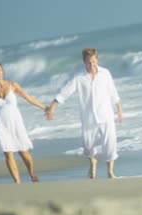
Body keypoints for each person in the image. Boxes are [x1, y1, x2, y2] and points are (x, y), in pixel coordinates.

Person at [45, 48, 123, 179]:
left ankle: (110, 172)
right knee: (88, 145)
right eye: (88, 63)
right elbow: (66, 91)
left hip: (106, 114)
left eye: (93, 62)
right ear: (84, 62)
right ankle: (92, 161)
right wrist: (53, 106)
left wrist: (119, 109)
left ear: (97, 60)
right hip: (89, 117)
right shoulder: (79, 77)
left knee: (110, 143)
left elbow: (113, 92)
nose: (92, 65)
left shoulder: (105, 73)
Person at [0, 62, 46, 184]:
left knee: (24, 152)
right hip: (0, 124)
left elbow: (28, 98)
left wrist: (45, 107)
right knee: (8, 153)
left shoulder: (12, 85)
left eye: (0, 70)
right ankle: (17, 182)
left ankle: (33, 175)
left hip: (15, 122)